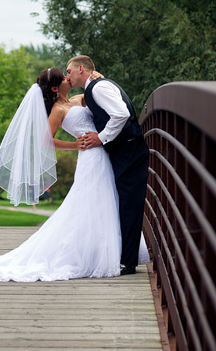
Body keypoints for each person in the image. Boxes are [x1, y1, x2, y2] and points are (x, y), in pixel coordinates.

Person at [0, 68, 148, 282]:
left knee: (107, 202)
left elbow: (96, 93)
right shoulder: (58, 111)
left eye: (68, 74)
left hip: (104, 153)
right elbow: (45, 140)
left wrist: (96, 77)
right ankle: (96, 256)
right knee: (90, 202)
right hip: (89, 157)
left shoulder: (79, 99)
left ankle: (113, 252)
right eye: (63, 77)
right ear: (54, 88)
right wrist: (74, 144)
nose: (68, 78)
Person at [65, 55, 149, 276]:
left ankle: (128, 263)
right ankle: (124, 258)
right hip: (123, 151)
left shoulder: (99, 88)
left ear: (80, 68)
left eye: (69, 71)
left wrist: (102, 137)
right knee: (122, 204)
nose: (68, 76)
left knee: (129, 206)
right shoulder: (93, 88)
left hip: (129, 151)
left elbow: (121, 114)